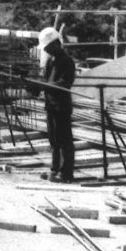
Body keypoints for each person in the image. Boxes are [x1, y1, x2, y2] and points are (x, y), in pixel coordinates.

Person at [38, 26, 78, 183]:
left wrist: (45, 86)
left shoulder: (66, 61)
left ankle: (66, 174)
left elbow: (64, 83)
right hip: (51, 105)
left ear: (55, 44)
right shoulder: (50, 60)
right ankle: (55, 169)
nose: (46, 51)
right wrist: (35, 86)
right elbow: (46, 81)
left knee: (64, 140)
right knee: (54, 140)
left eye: (48, 47)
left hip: (61, 106)